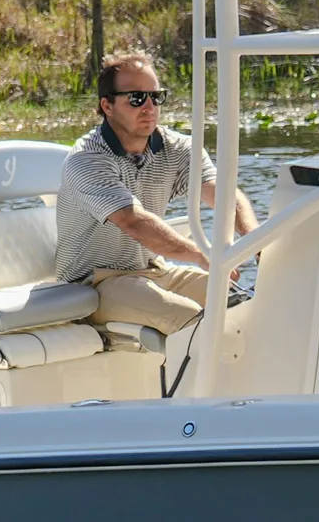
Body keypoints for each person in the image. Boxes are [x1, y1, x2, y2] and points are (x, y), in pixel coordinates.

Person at [54, 47, 253, 333]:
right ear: (107, 106)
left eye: (156, 97)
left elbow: (224, 195)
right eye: (136, 98)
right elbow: (133, 222)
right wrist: (201, 254)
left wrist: (256, 242)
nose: (149, 107)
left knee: (243, 305)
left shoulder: (177, 148)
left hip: (153, 271)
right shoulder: (87, 159)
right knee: (194, 322)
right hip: (93, 284)